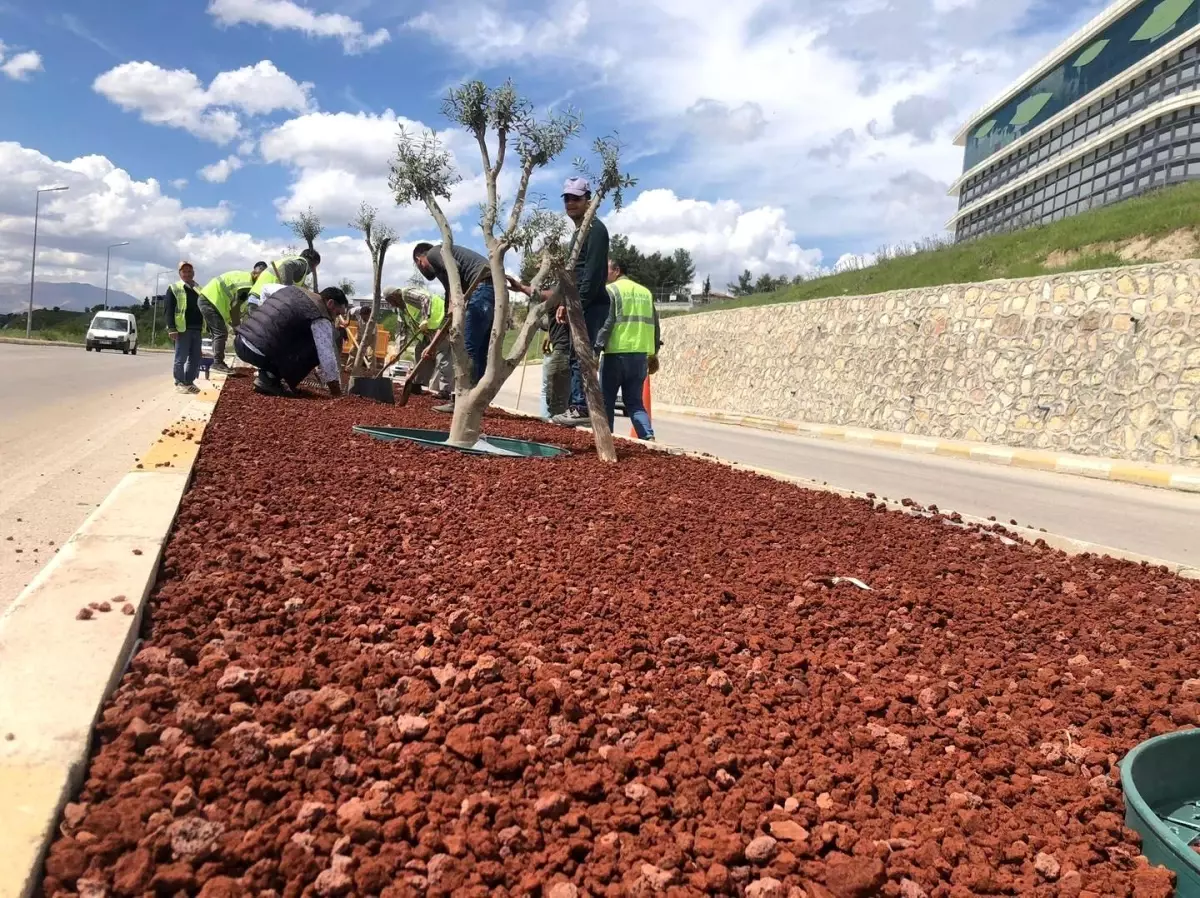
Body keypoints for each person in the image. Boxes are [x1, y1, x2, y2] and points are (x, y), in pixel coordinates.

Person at [508, 177, 609, 426]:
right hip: (579, 301)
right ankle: (578, 406)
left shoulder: (595, 230)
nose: (571, 203)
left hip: (591, 303)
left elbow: (593, 275)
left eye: (576, 198)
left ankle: (580, 406)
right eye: (567, 199)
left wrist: (575, 306)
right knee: (576, 355)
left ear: (588, 200)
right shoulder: (580, 232)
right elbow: (575, 274)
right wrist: (563, 301)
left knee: (581, 355)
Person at [413, 242, 493, 412]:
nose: (422, 269)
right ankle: (475, 403)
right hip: (492, 291)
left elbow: (453, 268)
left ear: (420, 259)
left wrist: (453, 300)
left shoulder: (435, 252)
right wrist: (432, 345)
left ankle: (460, 402)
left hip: (481, 288)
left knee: (467, 350)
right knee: (479, 352)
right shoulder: (449, 264)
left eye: (419, 265)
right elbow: (447, 308)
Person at [233, 284, 349, 398]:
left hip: (241, 341)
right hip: (259, 352)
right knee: (315, 348)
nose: (335, 318)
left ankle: (268, 377)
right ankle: (270, 378)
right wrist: (336, 391)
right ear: (330, 303)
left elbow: (265, 288)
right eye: (337, 313)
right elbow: (326, 357)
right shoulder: (320, 317)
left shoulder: (292, 289)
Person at [595, 257, 661, 440]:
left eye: (606, 269)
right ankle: (648, 436)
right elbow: (655, 324)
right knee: (635, 402)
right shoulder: (645, 292)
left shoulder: (611, 290)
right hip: (639, 356)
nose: (603, 274)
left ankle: (606, 439)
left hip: (615, 354)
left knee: (606, 401)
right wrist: (654, 353)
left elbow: (607, 323)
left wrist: (596, 350)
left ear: (616, 270)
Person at [197, 263, 266, 372]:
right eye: (260, 277)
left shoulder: (244, 279)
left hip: (209, 300)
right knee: (221, 333)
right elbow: (235, 308)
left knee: (218, 333)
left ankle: (218, 362)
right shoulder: (247, 286)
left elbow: (235, 308)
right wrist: (237, 327)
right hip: (211, 300)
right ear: (254, 273)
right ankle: (217, 363)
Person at [383, 287, 450, 397]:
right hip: (427, 334)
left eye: (390, 301)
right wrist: (398, 353)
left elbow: (425, 298)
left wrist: (425, 318)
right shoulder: (401, 311)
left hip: (442, 324)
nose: (392, 305)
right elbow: (401, 332)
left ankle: (445, 390)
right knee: (420, 351)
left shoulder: (406, 294)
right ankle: (417, 384)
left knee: (442, 355)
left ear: (394, 296)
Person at [164, 261, 205, 394]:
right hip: (182, 328)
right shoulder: (174, 288)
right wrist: (171, 328)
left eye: (189, 271)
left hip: (197, 328)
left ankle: (189, 382)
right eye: (184, 271)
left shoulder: (199, 288)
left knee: (195, 357)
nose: (187, 274)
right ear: (180, 274)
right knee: (180, 358)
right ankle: (179, 382)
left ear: (193, 273)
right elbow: (169, 309)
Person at [248, 249, 320, 302]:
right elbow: (288, 265)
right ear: (313, 263)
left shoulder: (291, 260)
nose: (314, 270)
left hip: (256, 294)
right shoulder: (303, 263)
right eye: (316, 266)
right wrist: (287, 290)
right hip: (263, 298)